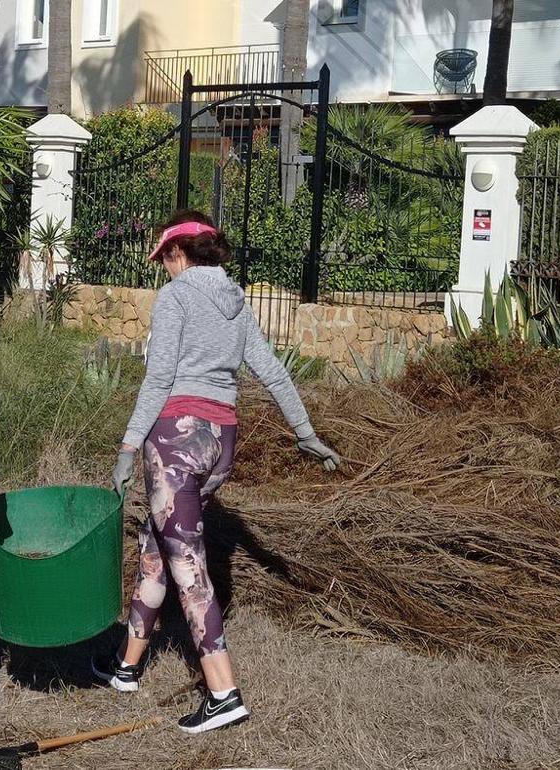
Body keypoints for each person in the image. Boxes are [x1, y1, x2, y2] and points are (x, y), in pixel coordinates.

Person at [95, 210, 341, 734]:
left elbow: (160, 376)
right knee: (157, 550)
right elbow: (270, 369)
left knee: (186, 564)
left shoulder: (177, 297)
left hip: (176, 439)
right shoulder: (236, 301)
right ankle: (126, 667)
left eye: (164, 258)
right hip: (220, 442)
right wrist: (304, 430)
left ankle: (223, 693)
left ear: (179, 253)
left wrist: (127, 443)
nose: (163, 268)